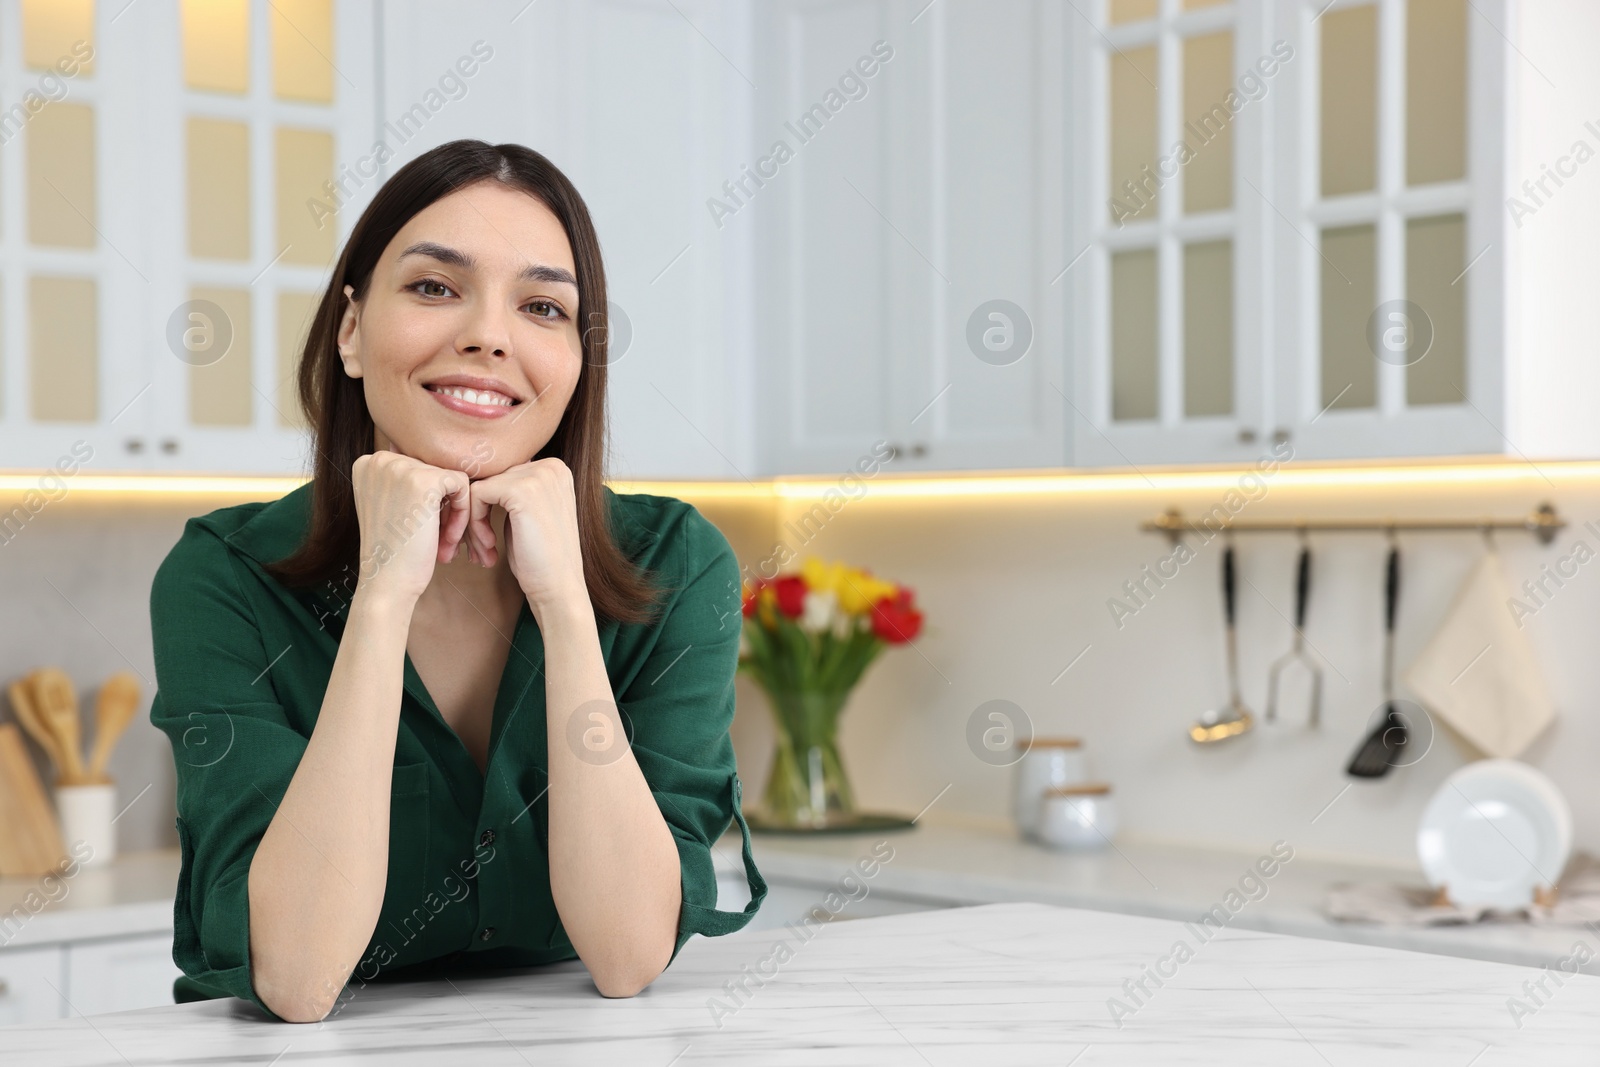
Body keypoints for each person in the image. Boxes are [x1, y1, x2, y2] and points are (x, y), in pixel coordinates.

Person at [148, 139, 765, 1023]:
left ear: (578, 363)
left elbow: (630, 953)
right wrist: (383, 595)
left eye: (544, 306)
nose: (489, 334)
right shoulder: (224, 575)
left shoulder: (675, 560)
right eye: (436, 287)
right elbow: (295, 975)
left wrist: (562, 606)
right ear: (352, 331)